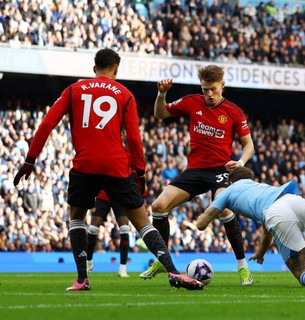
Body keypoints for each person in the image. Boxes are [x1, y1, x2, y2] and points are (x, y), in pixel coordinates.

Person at [13, 48, 203, 291]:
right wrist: (141, 173)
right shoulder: (125, 94)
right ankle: (174, 272)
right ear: (116, 70)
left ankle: (82, 279)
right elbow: (134, 139)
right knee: (143, 223)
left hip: (85, 165)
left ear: (94, 69)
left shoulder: (73, 90)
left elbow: (48, 123)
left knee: (78, 218)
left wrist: (30, 160)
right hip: (116, 166)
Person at [141, 64, 255, 286]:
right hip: (194, 170)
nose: (209, 94)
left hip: (220, 171)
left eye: (213, 89)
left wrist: (240, 162)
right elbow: (160, 113)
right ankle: (163, 261)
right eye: (205, 89)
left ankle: (242, 267)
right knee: (158, 206)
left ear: (222, 85)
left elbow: (248, 144)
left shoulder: (234, 111)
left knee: (224, 208)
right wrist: (161, 94)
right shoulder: (192, 101)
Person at [86, 190, 131, 278]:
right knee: (92, 229)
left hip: (119, 194)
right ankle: (89, 261)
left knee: (125, 229)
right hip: (103, 194)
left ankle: (123, 267)